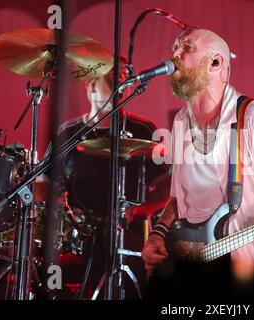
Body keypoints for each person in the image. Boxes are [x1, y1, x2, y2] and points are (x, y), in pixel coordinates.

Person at [142, 29, 254, 275]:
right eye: (174, 48)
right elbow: (179, 200)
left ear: (215, 62)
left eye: (186, 47)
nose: (175, 53)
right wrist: (158, 233)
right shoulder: (180, 122)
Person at [44, 56, 168, 299]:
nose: (121, 81)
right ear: (90, 85)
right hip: (76, 240)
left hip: (129, 237)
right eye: (112, 78)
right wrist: (62, 212)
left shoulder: (145, 131)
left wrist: (142, 209)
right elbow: (44, 186)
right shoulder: (67, 134)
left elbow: (168, 184)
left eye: (124, 77)